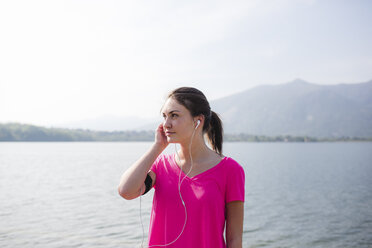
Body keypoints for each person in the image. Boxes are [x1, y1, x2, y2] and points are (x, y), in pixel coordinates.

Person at [118, 87, 245, 248]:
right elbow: (126, 191)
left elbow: (235, 239)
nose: (166, 124)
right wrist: (157, 147)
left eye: (174, 115)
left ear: (198, 120)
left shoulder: (230, 170)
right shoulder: (160, 166)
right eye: (164, 116)